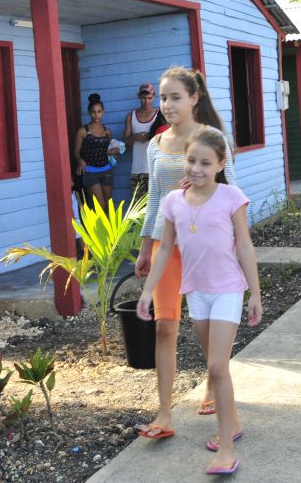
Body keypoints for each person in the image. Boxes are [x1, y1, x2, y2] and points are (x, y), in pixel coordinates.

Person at [137, 129, 261, 476]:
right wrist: (148, 290)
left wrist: (255, 293)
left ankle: (225, 448)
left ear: (221, 165)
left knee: (218, 367)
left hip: (227, 290)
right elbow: (165, 253)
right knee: (213, 365)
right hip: (197, 293)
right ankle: (232, 420)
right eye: (191, 160)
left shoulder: (231, 197)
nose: (196, 168)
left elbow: (245, 247)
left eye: (206, 163)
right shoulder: (173, 202)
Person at [134, 66, 236, 439]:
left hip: (203, 246)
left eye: (175, 97)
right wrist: (146, 248)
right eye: (163, 97)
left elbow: (231, 198)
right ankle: (164, 415)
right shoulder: (155, 145)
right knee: (164, 326)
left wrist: (197, 188)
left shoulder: (211, 140)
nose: (167, 105)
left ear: (194, 98)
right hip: (165, 246)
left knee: (206, 325)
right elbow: (154, 200)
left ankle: (214, 381)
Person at [73, 93, 118, 209]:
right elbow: (76, 152)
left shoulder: (107, 132)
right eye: (93, 111)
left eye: (99, 111)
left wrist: (114, 152)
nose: (96, 115)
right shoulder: (83, 131)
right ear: (89, 112)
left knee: (108, 206)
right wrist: (80, 160)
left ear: (103, 112)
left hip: (107, 171)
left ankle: (108, 228)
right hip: (90, 172)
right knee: (100, 206)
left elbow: (110, 153)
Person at [123, 83, 159, 198]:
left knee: (158, 209)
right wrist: (135, 137)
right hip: (137, 171)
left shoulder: (160, 115)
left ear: (154, 96)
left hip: (155, 171)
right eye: (143, 98)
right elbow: (125, 144)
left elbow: (169, 141)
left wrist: (151, 136)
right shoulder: (131, 116)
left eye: (149, 98)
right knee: (138, 211)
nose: (146, 101)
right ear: (138, 96)